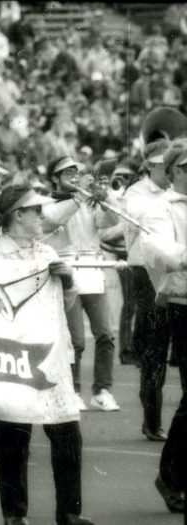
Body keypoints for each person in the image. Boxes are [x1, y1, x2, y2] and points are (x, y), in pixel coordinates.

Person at [0, 183, 94, 525]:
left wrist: (70, 281)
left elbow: (66, 304)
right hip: (10, 355)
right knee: (13, 435)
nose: (43, 217)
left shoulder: (47, 254)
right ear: (18, 215)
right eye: (36, 211)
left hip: (51, 356)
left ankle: (70, 512)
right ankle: (14, 514)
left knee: (67, 433)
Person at [41, 156, 120, 412]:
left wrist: (105, 196)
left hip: (93, 271)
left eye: (76, 172)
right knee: (76, 341)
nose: (74, 177)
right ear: (54, 178)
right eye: (67, 173)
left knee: (106, 334)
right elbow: (53, 219)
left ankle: (102, 390)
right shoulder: (47, 201)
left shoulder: (87, 201)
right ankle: (73, 390)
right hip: (68, 273)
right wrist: (80, 197)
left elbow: (110, 222)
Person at [141, 139, 187, 516]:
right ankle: (170, 477)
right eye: (185, 167)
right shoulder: (159, 209)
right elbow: (161, 254)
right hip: (182, 305)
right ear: (174, 172)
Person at [123, 140, 172, 441]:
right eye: (164, 166)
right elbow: (145, 222)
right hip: (145, 272)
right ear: (149, 167)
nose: (169, 172)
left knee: (167, 346)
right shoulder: (137, 193)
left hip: (172, 269)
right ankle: (151, 420)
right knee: (156, 347)